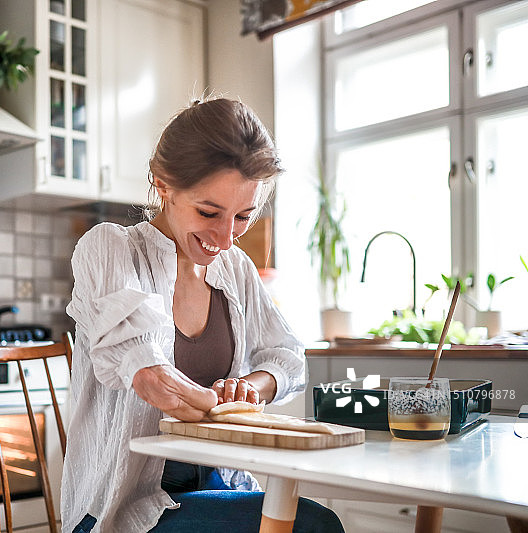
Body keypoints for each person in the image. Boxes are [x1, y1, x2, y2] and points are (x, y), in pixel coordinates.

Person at [61, 97, 344, 533]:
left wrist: (249, 387)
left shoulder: (236, 269)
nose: (226, 238)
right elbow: (142, 364)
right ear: (163, 186)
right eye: (209, 213)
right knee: (311, 525)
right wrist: (200, 398)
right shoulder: (112, 249)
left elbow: (287, 357)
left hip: (217, 483)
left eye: (243, 217)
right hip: (124, 505)